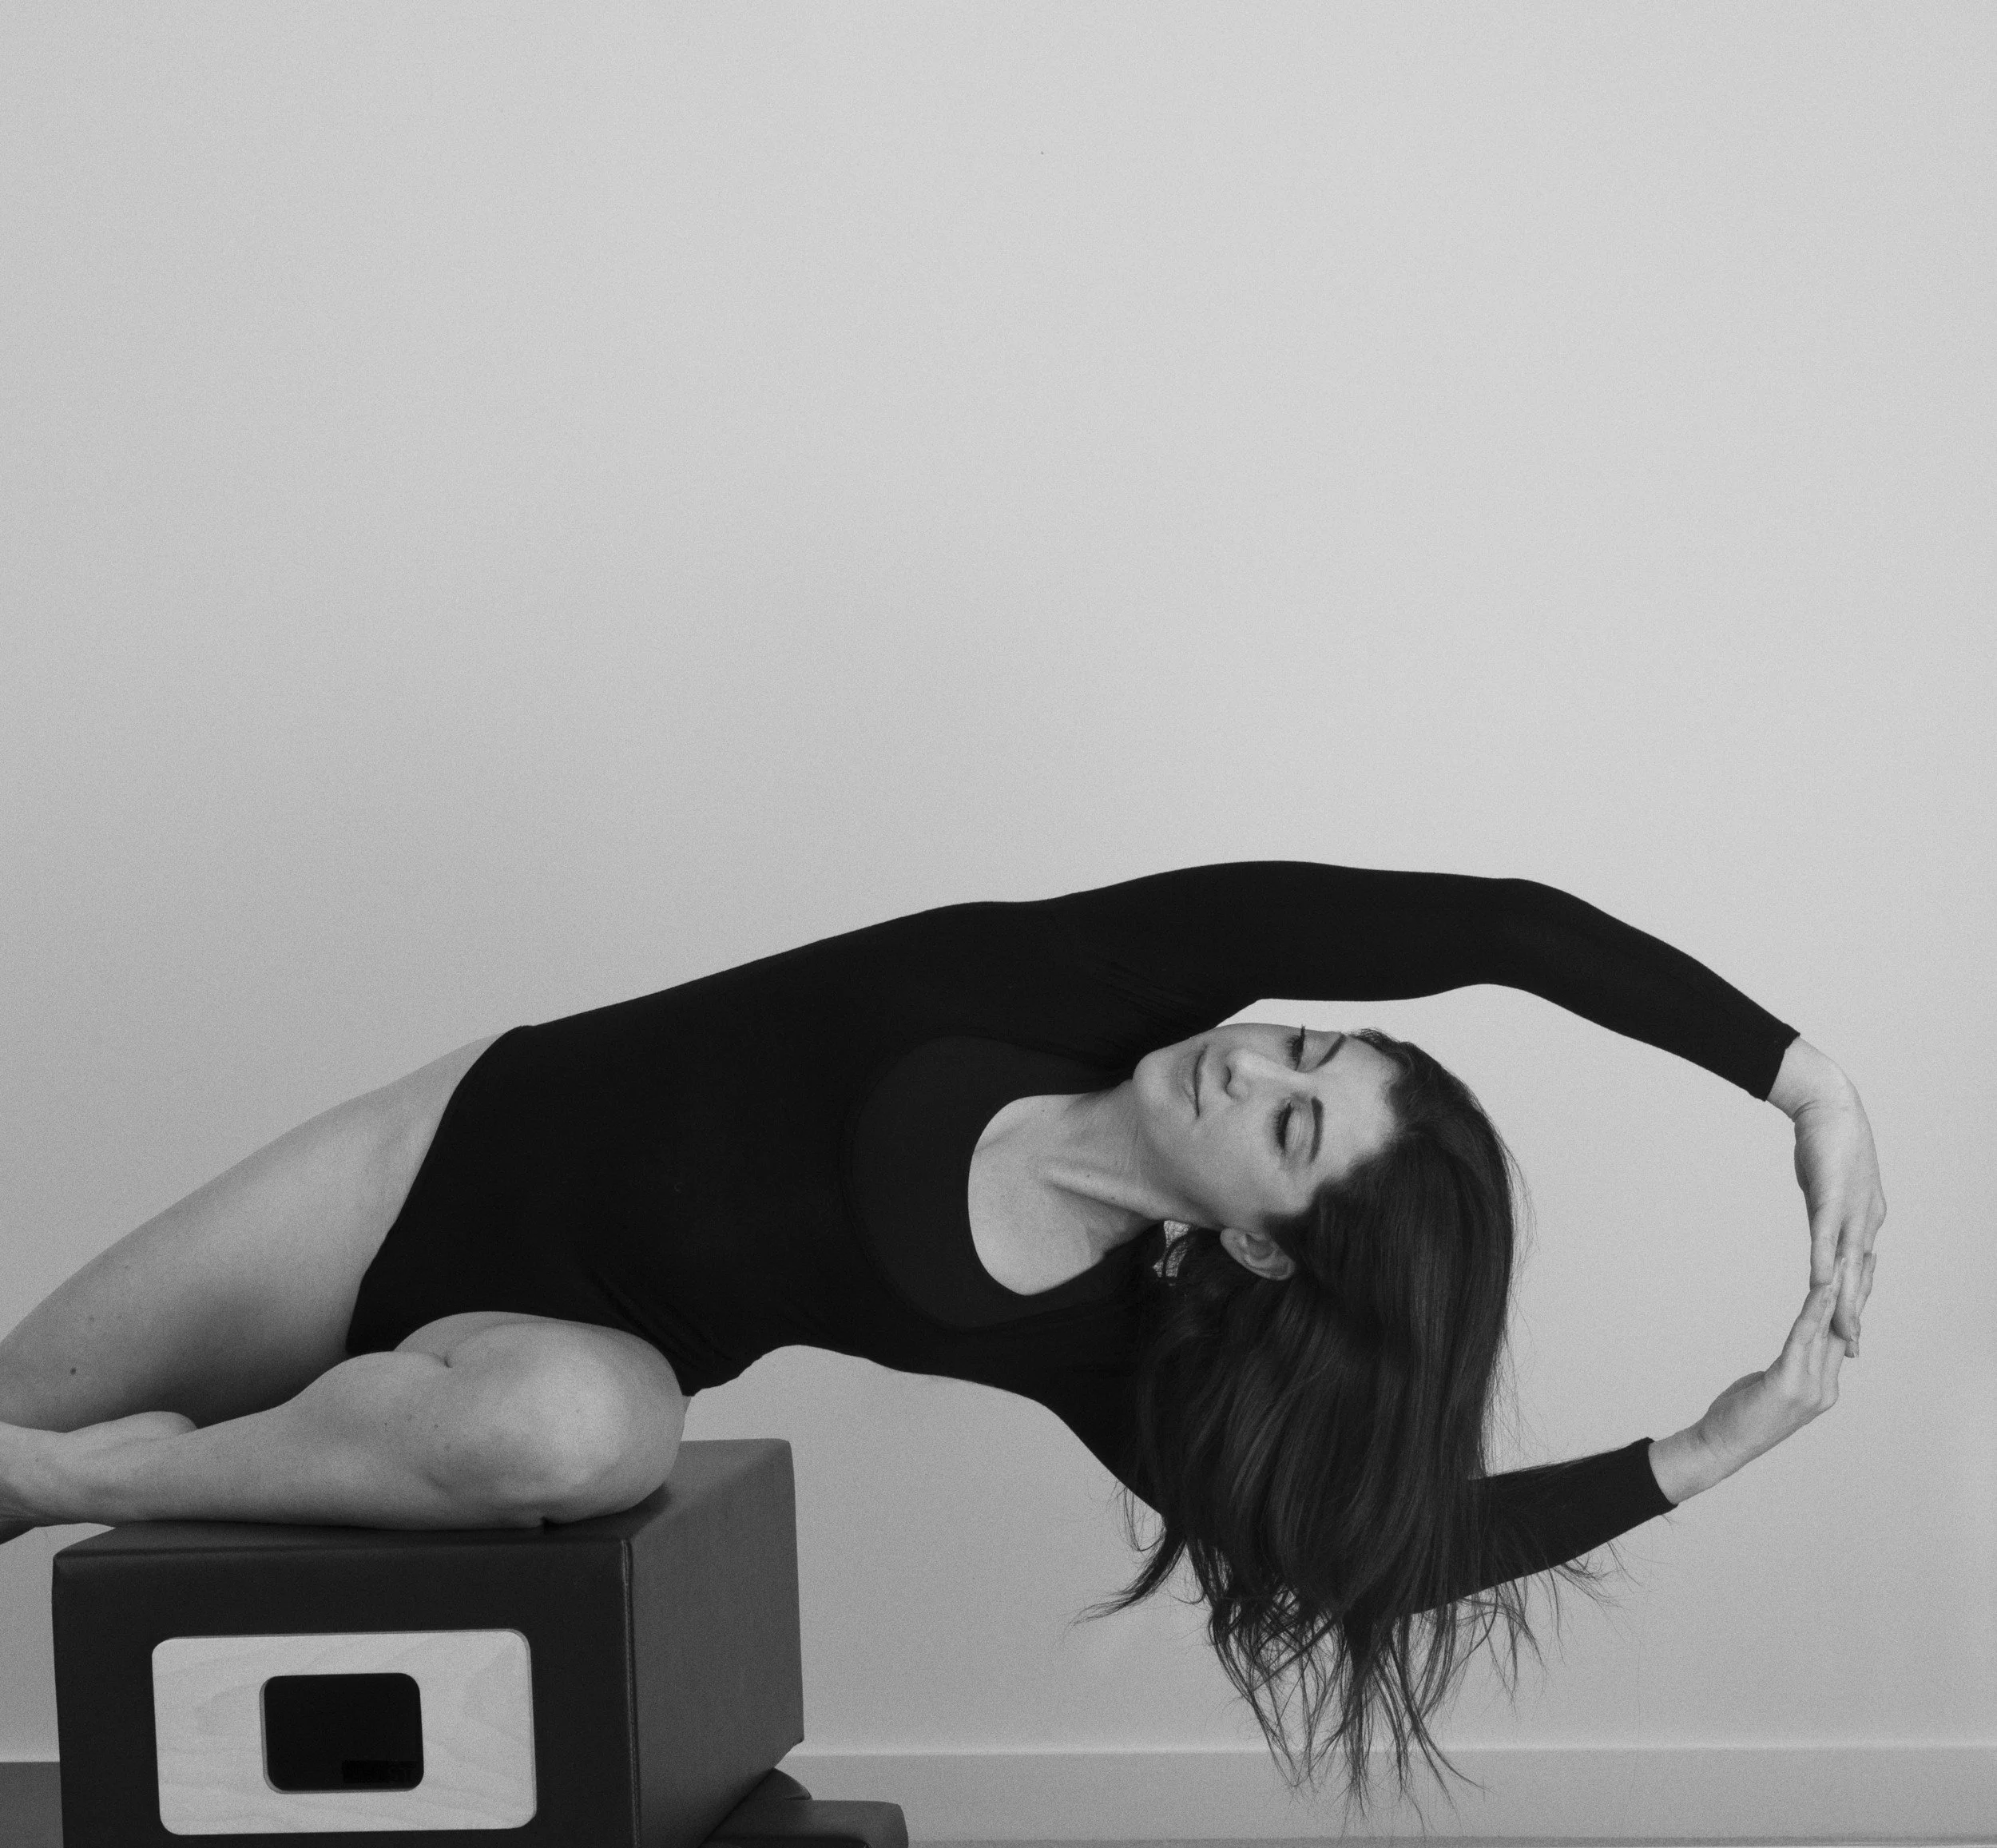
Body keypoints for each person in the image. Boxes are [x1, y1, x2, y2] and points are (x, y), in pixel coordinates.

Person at [0, 861, 1884, 1821]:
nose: (1260, 1061)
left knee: (594, 1435)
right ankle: (36, 1455)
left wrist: (1697, 1454)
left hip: (528, 1349)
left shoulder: (1102, 1343)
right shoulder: (1099, 975)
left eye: (1293, 1124)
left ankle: (88, 1480)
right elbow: (1492, 922)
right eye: (1313, 1048)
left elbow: (1353, 1547)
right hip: (425, 1154)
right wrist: (1798, 1085)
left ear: (1250, 1236)